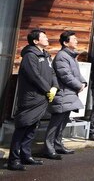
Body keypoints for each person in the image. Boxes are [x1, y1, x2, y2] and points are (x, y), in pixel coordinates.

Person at [7, 29, 57, 171]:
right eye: (44, 37)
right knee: (23, 127)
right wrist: (48, 90)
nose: (47, 39)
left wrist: (55, 87)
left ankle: (26, 156)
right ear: (35, 41)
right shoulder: (30, 55)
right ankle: (13, 160)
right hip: (31, 98)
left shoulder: (46, 55)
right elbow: (34, 76)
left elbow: (52, 73)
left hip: (42, 98)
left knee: (32, 128)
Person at [44, 30, 87, 159]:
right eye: (73, 39)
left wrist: (83, 82)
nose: (76, 41)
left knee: (63, 121)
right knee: (56, 122)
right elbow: (65, 75)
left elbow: (76, 74)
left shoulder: (71, 56)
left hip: (69, 94)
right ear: (65, 42)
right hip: (62, 94)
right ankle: (48, 148)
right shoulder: (62, 56)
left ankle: (58, 145)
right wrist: (79, 85)